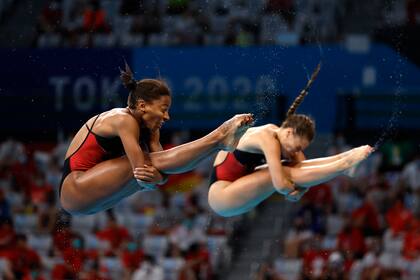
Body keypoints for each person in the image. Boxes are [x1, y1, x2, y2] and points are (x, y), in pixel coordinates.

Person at [59, 62, 253, 215]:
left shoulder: (151, 129)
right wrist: (158, 178)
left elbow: (162, 172)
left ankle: (219, 142)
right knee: (148, 161)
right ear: (143, 106)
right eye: (163, 109)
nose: (167, 117)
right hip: (74, 190)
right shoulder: (122, 119)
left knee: (157, 162)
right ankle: (219, 137)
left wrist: (158, 178)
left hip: (97, 199)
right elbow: (143, 174)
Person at [208, 88, 374, 218]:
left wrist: (297, 191)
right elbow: (281, 184)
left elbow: (303, 172)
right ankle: (343, 165)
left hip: (237, 188)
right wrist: (293, 192)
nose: (297, 152)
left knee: (290, 167)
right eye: (297, 147)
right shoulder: (268, 138)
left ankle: (344, 159)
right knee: (283, 171)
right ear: (288, 132)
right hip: (222, 196)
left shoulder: (286, 142)